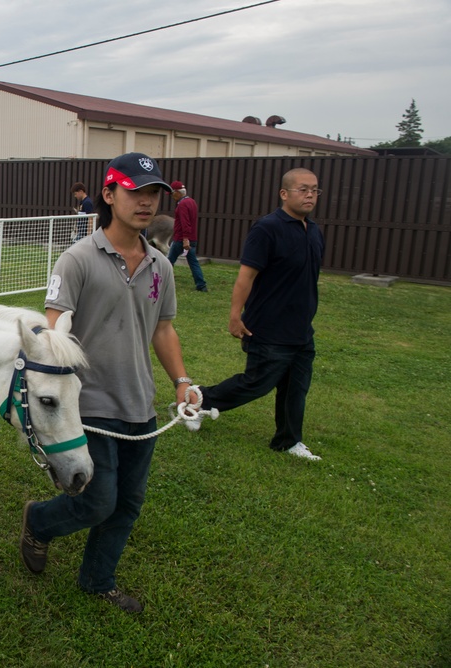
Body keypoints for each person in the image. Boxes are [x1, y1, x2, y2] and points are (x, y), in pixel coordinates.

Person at [21, 153, 198, 613]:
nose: (146, 202)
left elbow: (163, 329)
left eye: (153, 193)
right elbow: (55, 329)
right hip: (90, 404)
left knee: (127, 504)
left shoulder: (160, 265)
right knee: (97, 501)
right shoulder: (77, 259)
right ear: (108, 194)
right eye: (134, 191)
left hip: (141, 404)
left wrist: (181, 380)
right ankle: (39, 520)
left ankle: (98, 580)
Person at [186, 168, 325, 461]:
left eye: (314, 190)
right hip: (268, 325)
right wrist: (235, 315)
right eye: (303, 189)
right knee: (257, 382)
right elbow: (246, 276)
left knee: (295, 388)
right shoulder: (267, 228)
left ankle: (288, 441)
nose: (310, 194)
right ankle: (200, 398)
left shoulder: (313, 231)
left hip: (301, 329)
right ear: (284, 194)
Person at [166, 180, 208, 292]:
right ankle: (201, 285)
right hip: (192, 238)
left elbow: (185, 223)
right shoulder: (192, 202)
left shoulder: (182, 205)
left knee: (169, 261)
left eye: (172, 194)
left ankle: (163, 282)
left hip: (181, 239)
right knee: (193, 262)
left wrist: (185, 239)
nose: (171, 197)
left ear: (177, 192)